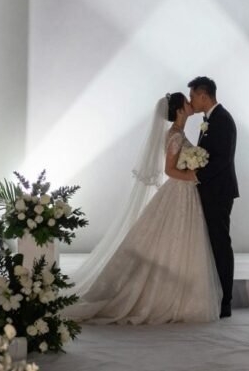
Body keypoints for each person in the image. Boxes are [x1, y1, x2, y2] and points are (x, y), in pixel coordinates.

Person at [65, 93, 222, 324]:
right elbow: (169, 170)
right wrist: (193, 174)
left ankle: (181, 295)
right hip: (180, 191)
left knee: (181, 241)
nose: (191, 105)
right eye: (187, 103)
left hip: (185, 193)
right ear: (179, 110)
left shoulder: (178, 133)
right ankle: (163, 298)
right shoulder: (175, 136)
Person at [187, 76, 238, 318]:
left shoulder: (223, 120)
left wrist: (197, 174)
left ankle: (225, 300)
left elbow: (222, 159)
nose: (191, 101)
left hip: (218, 192)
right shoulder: (211, 120)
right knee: (213, 243)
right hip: (210, 189)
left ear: (204, 95)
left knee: (220, 243)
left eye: (193, 96)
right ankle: (216, 295)